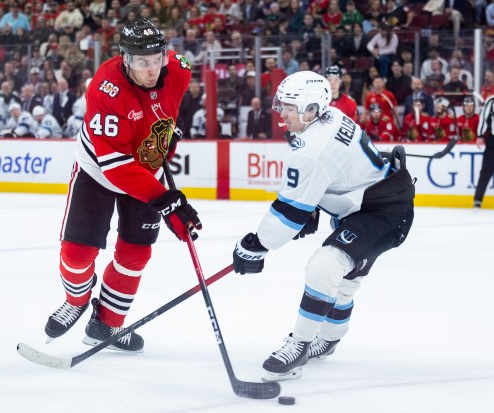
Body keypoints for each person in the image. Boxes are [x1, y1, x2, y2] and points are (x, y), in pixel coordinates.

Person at [231, 71, 415, 381]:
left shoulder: (311, 149)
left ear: (313, 109)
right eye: (282, 105)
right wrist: (315, 204)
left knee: (324, 266)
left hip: (382, 212)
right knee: (343, 279)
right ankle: (329, 339)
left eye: (290, 107)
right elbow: (337, 171)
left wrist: (255, 245)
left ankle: (300, 345)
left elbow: (289, 210)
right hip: (374, 202)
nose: (282, 113)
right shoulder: (332, 115)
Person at [42, 18, 202, 352]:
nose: (152, 69)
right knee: (76, 253)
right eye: (143, 63)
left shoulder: (180, 68)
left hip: (148, 169)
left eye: (157, 60)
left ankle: (108, 324)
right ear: (125, 59)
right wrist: (166, 200)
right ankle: (77, 298)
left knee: (135, 255)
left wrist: (171, 129)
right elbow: (116, 167)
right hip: (99, 172)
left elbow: (172, 105)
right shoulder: (105, 87)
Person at [474, 94, 494, 209]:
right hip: (493, 140)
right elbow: (484, 118)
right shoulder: (491, 100)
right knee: (486, 170)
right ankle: (478, 199)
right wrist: (480, 135)